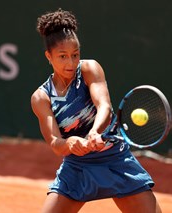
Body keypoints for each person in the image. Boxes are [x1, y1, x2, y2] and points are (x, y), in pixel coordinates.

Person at [31, 8, 162, 213]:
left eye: (75, 55)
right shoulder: (41, 97)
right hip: (77, 168)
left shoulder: (89, 69)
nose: (71, 63)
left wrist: (94, 132)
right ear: (49, 56)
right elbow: (55, 143)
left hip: (115, 160)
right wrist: (70, 143)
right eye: (63, 56)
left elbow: (104, 106)